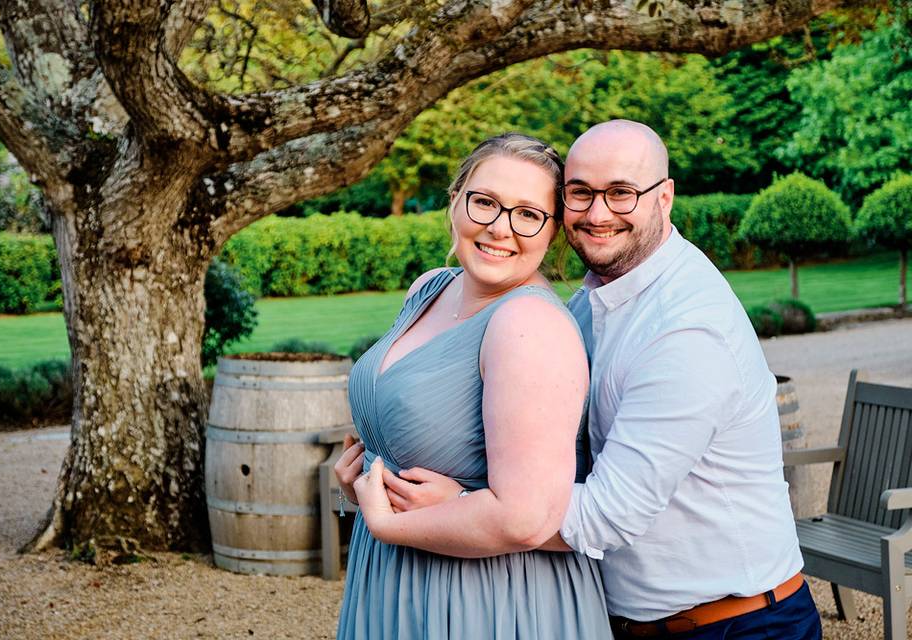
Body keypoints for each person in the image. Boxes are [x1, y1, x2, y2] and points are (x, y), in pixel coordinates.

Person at [359, 120, 822, 639]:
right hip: (627, 615)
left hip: (732, 624)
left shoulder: (687, 330)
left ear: (664, 197)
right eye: (580, 193)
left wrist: (457, 506)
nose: (598, 213)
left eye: (621, 193)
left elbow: (606, 514)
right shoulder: (594, 298)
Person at [333, 132, 613, 639]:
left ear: (553, 232)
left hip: (487, 597)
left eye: (528, 214)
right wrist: (369, 476)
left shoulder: (529, 325)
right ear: (455, 201)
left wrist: (388, 523)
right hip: (393, 577)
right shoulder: (430, 287)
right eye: (484, 203)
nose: (500, 228)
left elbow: (524, 518)